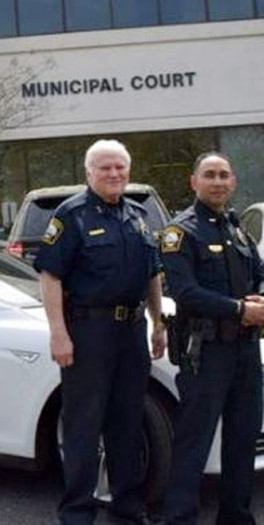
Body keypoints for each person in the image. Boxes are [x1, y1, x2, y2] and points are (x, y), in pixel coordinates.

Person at [34, 139, 166, 525]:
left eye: (120, 167)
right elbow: (50, 276)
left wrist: (158, 323)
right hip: (88, 331)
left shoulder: (139, 216)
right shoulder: (71, 215)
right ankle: (77, 513)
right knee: (83, 427)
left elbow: (152, 274)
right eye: (105, 168)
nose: (114, 174)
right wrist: (58, 333)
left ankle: (127, 509)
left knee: (127, 423)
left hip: (132, 332)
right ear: (89, 173)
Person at [161, 152, 264, 525]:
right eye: (210, 175)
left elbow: (259, 273)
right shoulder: (181, 232)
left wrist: (260, 299)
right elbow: (184, 291)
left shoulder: (236, 228)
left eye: (224, 175)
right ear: (194, 182)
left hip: (246, 351)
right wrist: (239, 309)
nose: (218, 181)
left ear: (233, 182)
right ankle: (179, 518)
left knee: (243, 439)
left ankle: (236, 517)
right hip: (205, 353)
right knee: (194, 441)